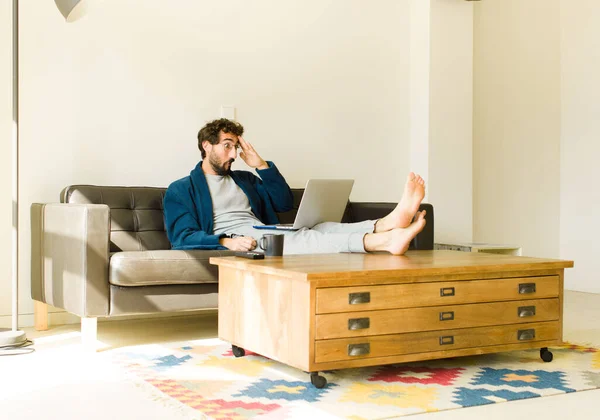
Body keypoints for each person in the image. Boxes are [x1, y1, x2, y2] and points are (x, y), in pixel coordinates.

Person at [164, 118, 426, 255]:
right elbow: (182, 238)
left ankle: (388, 222)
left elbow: (283, 203)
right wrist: (225, 241)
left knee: (322, 227)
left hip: (259, 229)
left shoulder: (244, 180)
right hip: (242, 238)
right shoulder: (180, 189)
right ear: (206, 145)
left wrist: (261, 166)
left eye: (235, 147)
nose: (233, 154)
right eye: (227, 146)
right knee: (303, 238)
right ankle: (382, 241)